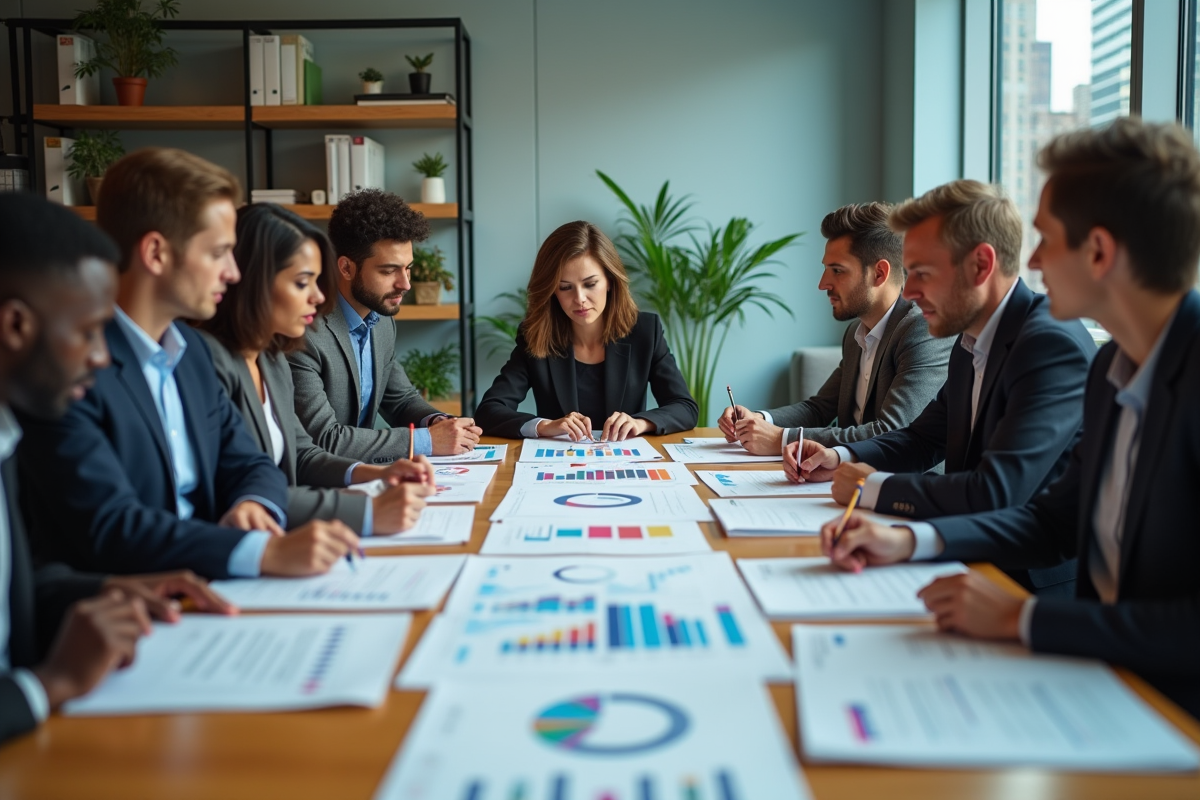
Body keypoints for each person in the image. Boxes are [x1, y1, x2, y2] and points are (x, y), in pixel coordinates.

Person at [820, 118, 1200, 720]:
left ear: (1099, 252)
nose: (1039, 259)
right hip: (1095, 677)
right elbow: (1051, 522)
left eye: (1048, 239)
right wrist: (909, 540)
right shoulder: (1111, 370)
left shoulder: (1079, 350)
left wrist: (1022, 615)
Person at [17, 148, 360, 580]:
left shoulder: (192, 353)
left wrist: (252, 504)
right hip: (132, 604)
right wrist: (257, 552)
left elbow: (251, 464)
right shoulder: (74, 367)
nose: (234, 273)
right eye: (218, 253)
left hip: (213, 584)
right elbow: (109, 526)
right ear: (157, 253)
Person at [0, 193, 235, 744]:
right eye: (87, 333)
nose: (103, 357)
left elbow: (16, 596)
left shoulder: (8, 435)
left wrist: (108, 588)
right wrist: (47, 684)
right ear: (15, 325)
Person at [196, 204, 435, 535]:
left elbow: (303, 455)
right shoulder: (208, 364)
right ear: (252, 281)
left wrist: (376, 474)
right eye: (302, 282)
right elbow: (236, 493)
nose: (319, 297)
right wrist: (366, 510)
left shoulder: (272, 358)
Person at [718, 202, 953, 454]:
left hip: (901, 487)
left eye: (837, 270)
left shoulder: (922, 330)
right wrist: (759, 420)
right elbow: (819, 409)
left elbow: (890, 432)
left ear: (879, 273)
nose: (823, 284)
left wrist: (782, 439)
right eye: (825, 268)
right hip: (845, 477)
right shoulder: (856, 334)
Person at [288, 189, 481, 463]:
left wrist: (440, 423)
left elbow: (400, 400)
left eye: (408, 268)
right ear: (346, 268)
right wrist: (425, 441)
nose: (405, 284)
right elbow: (323, 438)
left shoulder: (381, 321)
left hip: (366, 477)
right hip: (318, 486)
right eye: (389, 271)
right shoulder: (304, 333)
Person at [475, 220, 698, 441]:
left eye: (590, 284)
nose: (579, 299)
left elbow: (684, 407)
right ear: (553, 291)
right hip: (560, 464)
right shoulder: (534, 335)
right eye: (565, 287)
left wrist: (640, 423)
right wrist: (544, 426)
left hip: (624, 464)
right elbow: (489, 411)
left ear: (610, 281)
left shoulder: (645, 332)